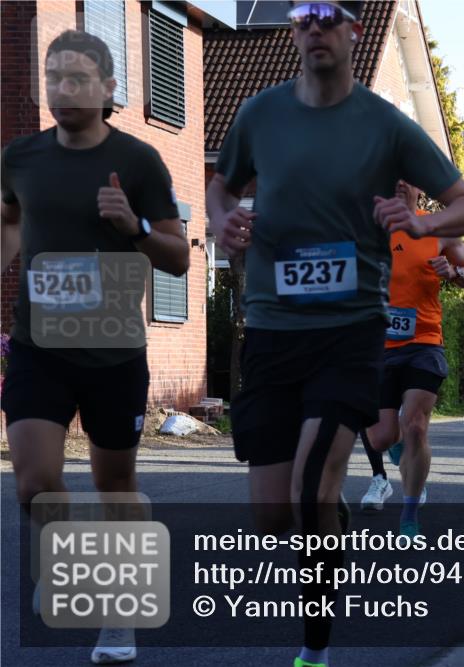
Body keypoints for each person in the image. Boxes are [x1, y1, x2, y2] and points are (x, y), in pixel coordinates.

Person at [205, 3, 464, 666]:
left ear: (354, 32)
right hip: (273, 331)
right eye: (302, 13)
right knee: (274, 512)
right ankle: (334, 528)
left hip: (349, 331)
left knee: (311, 485)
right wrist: (222, 220)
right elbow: (221, 185)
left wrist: (423, 225)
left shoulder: (385, 125)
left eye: (329, 15)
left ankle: (314, 647)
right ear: (293, 30)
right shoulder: (258, 114)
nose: (313, 25)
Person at [1, 30, 190, 665]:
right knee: (34, 482)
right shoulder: (20, 158)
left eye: (79, 78)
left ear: (110, 89)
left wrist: (132, 225)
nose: (63, 89)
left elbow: (177, 259)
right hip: (39, 345)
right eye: (54, 77)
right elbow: (9, 221)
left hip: (113, 352)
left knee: (115, 482)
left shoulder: (139, 161)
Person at [361, 181, 464, 534]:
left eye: (406, 180)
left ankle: (409, 515)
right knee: (382, 436)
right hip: (378, 346)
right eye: (391, 177)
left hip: (424, 342)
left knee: (415, 425)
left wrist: (455, 273)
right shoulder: (367, 230)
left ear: (418, 190)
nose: (398, 184)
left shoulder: (437, 228)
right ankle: (398, 455)